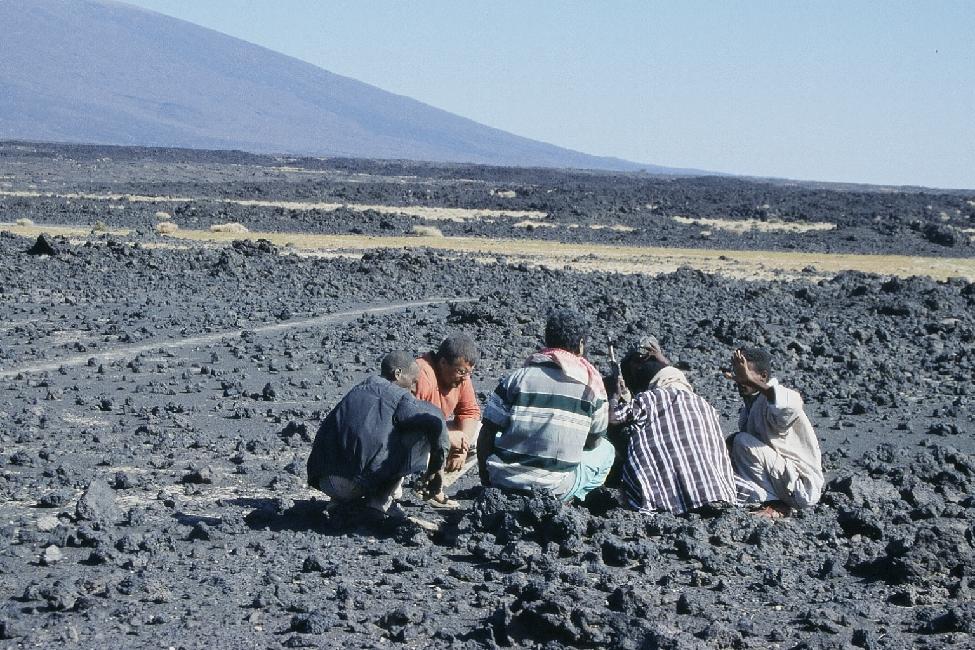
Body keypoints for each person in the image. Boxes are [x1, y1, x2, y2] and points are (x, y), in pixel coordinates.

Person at [477, 309, 614, 502]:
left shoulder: (518, 378)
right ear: (581, 345)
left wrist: (486, 478)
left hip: (503, 482)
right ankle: (571, 501)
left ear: (547, 340)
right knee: (607, 450)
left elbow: (487, 433)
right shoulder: (591, 387)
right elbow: (593, 442)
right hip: (554, 489)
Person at [306, 351, 449, 519]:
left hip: (324, 479)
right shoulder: (400, 398)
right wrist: (436, 469)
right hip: (352, 484)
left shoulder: (359, 388)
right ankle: (380, 501)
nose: (414, 388)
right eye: (413, 382)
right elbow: (436, 417)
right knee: (423, 427)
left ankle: (341, 502)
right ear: (398, 374)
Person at [610, 343, 737, 515]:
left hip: (666, 503)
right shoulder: (705, 406)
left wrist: (615, 397)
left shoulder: (649, 398)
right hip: (718, 494)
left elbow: (613, 418)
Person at [724, 347, 824, 518]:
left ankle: (776, 504)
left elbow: (788, 405)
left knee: (742, 442)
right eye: (738, 375)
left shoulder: (779, 395)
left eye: (745, 374)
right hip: (783, 479)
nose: (740, 380)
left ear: (763, 376)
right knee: (731, 445)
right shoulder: (750, 407)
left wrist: (751, 380)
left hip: (801, 485)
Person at [415, 334, 482, 472]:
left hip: (434, 432)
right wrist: (446, 436)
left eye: (468, 373)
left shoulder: (462, 378)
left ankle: (432, 486)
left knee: (479, 433)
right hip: (411, 437)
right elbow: (408, 421)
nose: (464, 378)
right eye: (460, 371)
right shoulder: (422, 374)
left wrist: (462, 449)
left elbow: (469, 412)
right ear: (443, 362)